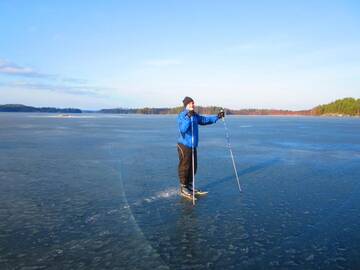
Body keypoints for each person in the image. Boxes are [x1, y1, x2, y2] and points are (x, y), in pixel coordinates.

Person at [177, 96, 225, 198]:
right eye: (190, 103)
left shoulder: (194, 115)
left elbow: (204, 120)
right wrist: (188, 118)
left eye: (193, 103)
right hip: (184, 145)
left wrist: (217, 117)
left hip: (193, 145)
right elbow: (183, 129)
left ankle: (189, 185)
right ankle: (183, 187)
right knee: (185, 166)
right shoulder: (182, 115)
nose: (192, 105)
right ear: (186, 105)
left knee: (193, 166)